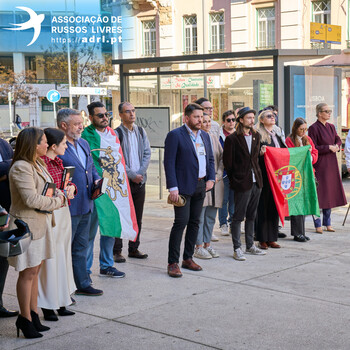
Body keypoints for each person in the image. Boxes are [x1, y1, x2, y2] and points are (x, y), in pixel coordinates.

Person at [8, 127, 64, 338]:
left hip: (41, 224)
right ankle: (24, 318)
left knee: (35, 271)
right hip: (27, 226)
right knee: (27, 273)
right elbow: (31, 199)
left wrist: (57, 192)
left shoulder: (37, 163)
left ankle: (32, 313)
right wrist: (58, 201)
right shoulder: (21, 167)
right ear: (33, 144)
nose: (46, 144)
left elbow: (46, 188)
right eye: (43, 141)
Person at [164, 103, 215, 277]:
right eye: (196, 117)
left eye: (201, 117)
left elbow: (210, 159)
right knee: (181, 223)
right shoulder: (175, 135)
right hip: (182, 187)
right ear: (186, 118)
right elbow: (169, 162)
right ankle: (173, 263)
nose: (200, 120)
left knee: (195, 223)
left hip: (201, 185)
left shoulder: (205, 136)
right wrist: (173, 187)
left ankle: (188, 258)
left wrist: (211, 178)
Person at [57, 108, 103, 296]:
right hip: (68, 205)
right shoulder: (57, 146)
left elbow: (90, 169)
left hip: (86, 203)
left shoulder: (83, 143)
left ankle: (82, 283)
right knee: (65, 248)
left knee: (82, 246)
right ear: (63, 125)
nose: (81, 127)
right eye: (77, 124)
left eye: (81, 123)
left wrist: (97, 181)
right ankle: (64, 288)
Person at [82, 102, 126, 279]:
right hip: (95, 190)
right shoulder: (85, 136)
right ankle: (84, 270)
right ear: (91, 117)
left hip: (112, 189)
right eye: (100, 115)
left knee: (109, 229)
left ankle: (107, 265)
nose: (104, 118)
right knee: (89, 233)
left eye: (106, 114)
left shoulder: (112, 134)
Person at [37, 128, 76, 321]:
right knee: (50, 258)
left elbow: (66, 183)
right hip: (51, 213)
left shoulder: (59, 162)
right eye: (63, 143)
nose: (66, 146)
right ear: (53, 146)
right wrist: (62, 192)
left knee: (62, 256)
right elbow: (44, 191)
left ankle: (61, 300)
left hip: (63, 211)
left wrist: (70, 188)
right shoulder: (41, 164)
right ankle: (47, 304)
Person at [223, 107, 266, 261]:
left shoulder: (256, 135)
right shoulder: (232, 139)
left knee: (252, 215)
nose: (251, 120)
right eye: (248, 117)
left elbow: (255, 158)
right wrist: (236, 180)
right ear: (240, 120)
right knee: (237, 217)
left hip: (256, 181)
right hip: (242, 182)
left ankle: (250, 245)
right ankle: (237, 248)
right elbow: (228, 163)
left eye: (252, 117)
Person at [113, 101, 151, 262]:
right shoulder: (116, 134)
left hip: (139, 182)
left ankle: (134, 248)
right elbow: (117, 158)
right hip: (123, 183)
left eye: (133, 111)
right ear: (121, 115)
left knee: (137, 217)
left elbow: (147, 153)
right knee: (121, 217)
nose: (132, 114)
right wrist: (131, 175)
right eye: (127, 111)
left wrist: (140, 174)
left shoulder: (141, 132)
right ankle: (117, 251)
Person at [308, 103, 347, 233]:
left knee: (329, 193)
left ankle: (328, 223)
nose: (329, 113)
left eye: (330, 111)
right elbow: (312, 147)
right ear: (319, 113)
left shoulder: (331, 126)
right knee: (319, 194)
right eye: (326, 111)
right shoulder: (313, 128)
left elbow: (338, 139)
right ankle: (317, 224)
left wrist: (336, 145)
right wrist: (328, 148)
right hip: (320, 164)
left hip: (331, 163)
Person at [194, 113, 224, 259]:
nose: (206, 124)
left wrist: (217, 175)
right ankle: (198, 246)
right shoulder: (195, 139)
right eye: (204, 121)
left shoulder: (213, 138)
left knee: (211, 216)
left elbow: (222, 158)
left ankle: (207, 244)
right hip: (201, 183)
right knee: (200, 216)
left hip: (216, 183)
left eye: (209, 121)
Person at [256, 109, 286, 249]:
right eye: (269, 116)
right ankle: (262, 238)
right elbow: (253, 155)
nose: (272, 118)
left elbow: (284, 152)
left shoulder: (277, 134)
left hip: (277, 176)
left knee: (274, 206)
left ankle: (272, 237)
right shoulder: (258, 135)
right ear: (261, 120)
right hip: (264, 175)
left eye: (273, 116)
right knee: (263, 206)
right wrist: (260, 154)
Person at [285, 118, 318, 242]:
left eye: (305, 129)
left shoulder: (308, 139)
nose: (304, 132)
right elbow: (290, 156)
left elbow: (315, 153)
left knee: (304, 203)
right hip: (296, 175)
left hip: (308, 174)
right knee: (296, 203)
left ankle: (302, 231)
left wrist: (310, 155)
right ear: (295, 128)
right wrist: (303, 153)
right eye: (301, 129)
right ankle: (297, 233)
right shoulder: (289, 140)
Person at [0, 137, 18, 318]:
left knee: (2, 260)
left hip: (5, 213)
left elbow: (15, 166)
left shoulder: (4, 144)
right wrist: (8, 165)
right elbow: (13, 164)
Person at [218, 110, 235, 236]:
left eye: (233, 120)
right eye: (228, 120)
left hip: (236, 173)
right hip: (223, 172)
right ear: (224, 122)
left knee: (234, 199)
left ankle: (233, 222)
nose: (231, 122)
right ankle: (223, 223)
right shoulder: (219, 135)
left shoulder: (238, 134)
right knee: (223, 200)